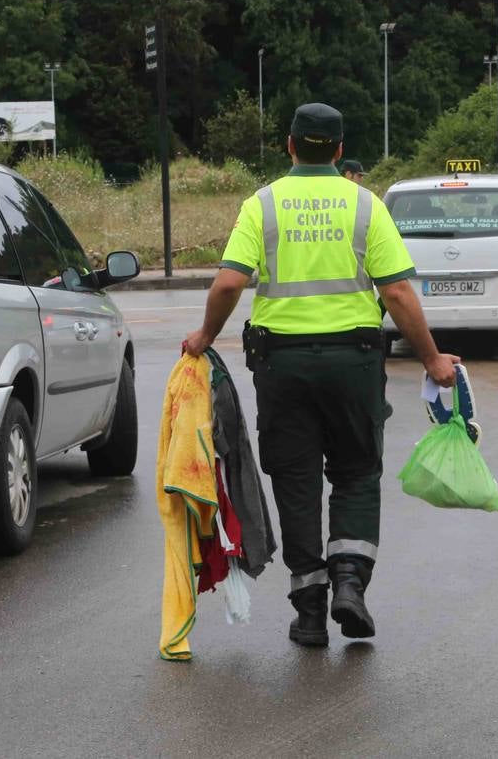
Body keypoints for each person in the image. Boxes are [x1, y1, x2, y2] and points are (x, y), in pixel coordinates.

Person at [183, 102, 459, 647]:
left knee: (296, 480)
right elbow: (397, 292)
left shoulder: (262, 205)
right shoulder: (365, 206)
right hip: (354, 363)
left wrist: (206, 337)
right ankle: (350, 584)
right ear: (338, 150)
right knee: (356, 472)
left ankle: (310, 612)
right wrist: (432, 359)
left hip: (281, 366)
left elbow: (228, 285)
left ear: (289, 145)